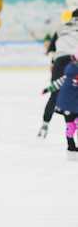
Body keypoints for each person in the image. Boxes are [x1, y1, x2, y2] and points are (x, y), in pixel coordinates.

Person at [39, 9, 78, 138]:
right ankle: (72, 129)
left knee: (55, 94)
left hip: (59, 62)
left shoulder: (61, 28)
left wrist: (53, 62)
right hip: (74, 61)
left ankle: (45, 124)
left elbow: (50, 49)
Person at [42, 47, 78, 161]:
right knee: (71, 125)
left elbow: (59, 82)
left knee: (71, 125)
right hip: (69, 105)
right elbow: (61, 82)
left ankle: (71, 147)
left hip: (67, 105)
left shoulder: (69, 72)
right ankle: (71, 147)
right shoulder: (71, 73)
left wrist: (49, 89)